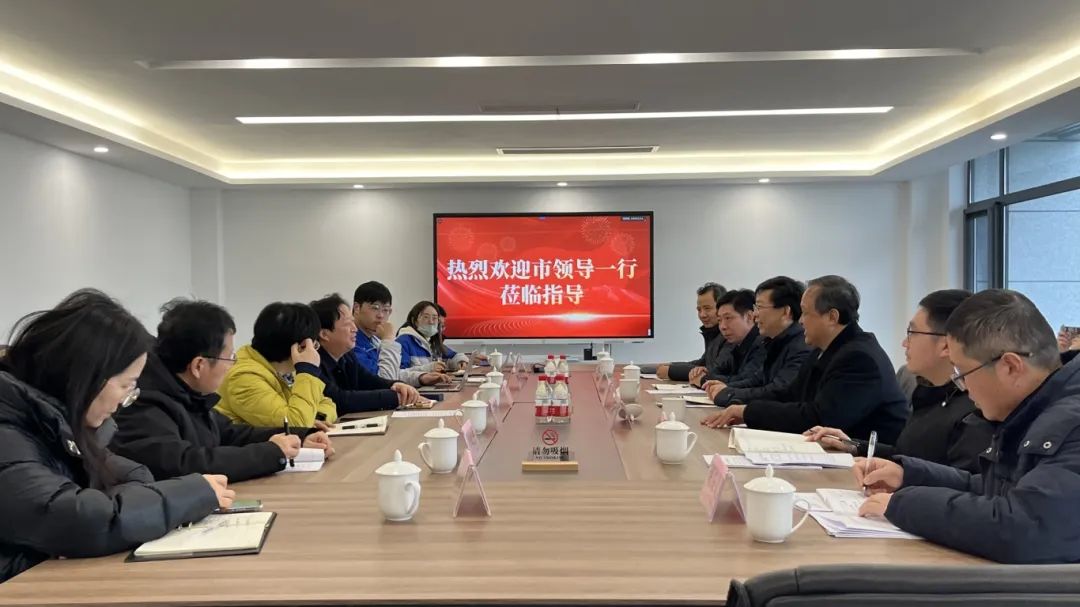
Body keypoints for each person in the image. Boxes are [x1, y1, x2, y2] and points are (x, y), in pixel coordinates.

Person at [0, 290, 229, 583]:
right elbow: (77, 521)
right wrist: (191, 493)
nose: (125, 401)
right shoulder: (8, 429)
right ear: (87, 376)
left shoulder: (60, 424)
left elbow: (129, 474)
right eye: (125, 385)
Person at [856, 289, 1080, 564]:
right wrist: (909, 475)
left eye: (962, 373)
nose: (962, 386)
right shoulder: (1036, 408)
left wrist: (904, 505)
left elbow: (1024, 528)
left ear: (1010, 366)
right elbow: (997, 488)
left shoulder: (1071, 422)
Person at [111, 300, 334, 483]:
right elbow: (184, 463)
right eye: (229, 358)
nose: (232, 365)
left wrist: (299, 436)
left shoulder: (187, 392)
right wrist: (271, 452)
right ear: (199, 365)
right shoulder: (144, 403)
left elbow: (229, 434)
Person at [804, 289, 993, 473]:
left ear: (946, 345)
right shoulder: (930, 393)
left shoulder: (974, 412)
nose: (904, 343)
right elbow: (908, 455)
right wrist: (854, 446)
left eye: (912, 332)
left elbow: (959, 484)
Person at [703, 275, 908, 443]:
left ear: (832, 317)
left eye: (806, 313)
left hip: (868, 463)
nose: (800, 321)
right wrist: (742, 409)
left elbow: (818, 417)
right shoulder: (823, 349)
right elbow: (790, 394)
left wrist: (748, 412)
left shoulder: (859, 358)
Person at [216, 302, 337, 427]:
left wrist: (313, 418)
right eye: (314, 345)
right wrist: (308, 370)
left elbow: (328, 404)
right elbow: (295, 425)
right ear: (301, 347)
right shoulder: (243, 378)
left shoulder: (286, 368)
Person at [705, 276, 812, 407]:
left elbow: (779, 391)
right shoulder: (774, 341)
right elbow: (757, 380)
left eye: (760, 307)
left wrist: (728, 394)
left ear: (785, 311)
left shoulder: (802, 346)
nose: (755, 314)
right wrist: (726, 387)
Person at [310, 293, 420, 412]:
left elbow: (370, 381)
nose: (354, 329)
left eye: (353, 322)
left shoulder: (347, 356)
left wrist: (396, 385)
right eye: (347, 324)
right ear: (324, 334)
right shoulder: (313, 362)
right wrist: (394, 397)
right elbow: (339, 399)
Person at [351, 281, 445, 387]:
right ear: (357, 308)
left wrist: (420, 378)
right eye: (375, 308)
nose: (381, 315)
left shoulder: (374, 339)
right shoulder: (351, 341)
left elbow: (394, 372)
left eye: (386, 310)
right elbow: (384, 381)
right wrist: (388, 340)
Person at [656, 282, 728, 382]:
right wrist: (672, 365)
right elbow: (702, 363)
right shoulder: (713, 334)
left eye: (707, 308)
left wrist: (671, 371)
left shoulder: (729, 335)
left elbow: (715, 370)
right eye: (699, 310)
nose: (702, 315)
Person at [697, 289, 764, 390]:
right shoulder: (736, 344)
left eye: (728, 318)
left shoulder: (762, 343)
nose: (722, 327)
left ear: (749, 316)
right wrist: (702, 373)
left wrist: (703, 379)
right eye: (719, 320)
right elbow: (719, 370)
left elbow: (747, 380)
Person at [397, 301, 470, 373]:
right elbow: (399, 373)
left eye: (434, 318)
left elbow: (453, 356)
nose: (431, 322)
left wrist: (460, 361)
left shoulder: (432, 341)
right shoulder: (403, 341)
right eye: (426, 317)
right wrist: (428, 368)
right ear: (414, 320)